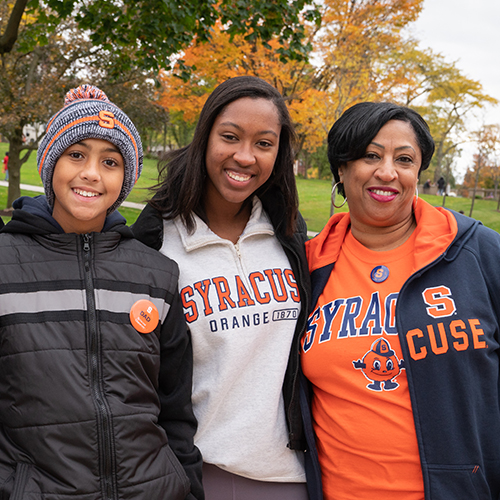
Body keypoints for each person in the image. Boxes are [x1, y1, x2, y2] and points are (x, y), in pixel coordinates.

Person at [0, 85, 203, 500]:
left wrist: (186, 485)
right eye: (77, 154)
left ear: (124, 179)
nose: (91, 173)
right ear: (51, 163)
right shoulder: (5, 264)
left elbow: (176, 410)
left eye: (110, 161)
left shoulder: (156, 275)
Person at [132, 76, 320, 500]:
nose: (245, 156)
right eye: (230, 137)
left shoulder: (289, 237)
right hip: (197, 474)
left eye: (264, 143)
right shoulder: (154, 242)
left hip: (290, 477)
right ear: (205, 138)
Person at [303, 101, 500, 500]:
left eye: (404, 159)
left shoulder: (478, 254)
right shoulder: (308, 268)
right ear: (341, 169)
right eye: (371, 156)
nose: (387, 172)